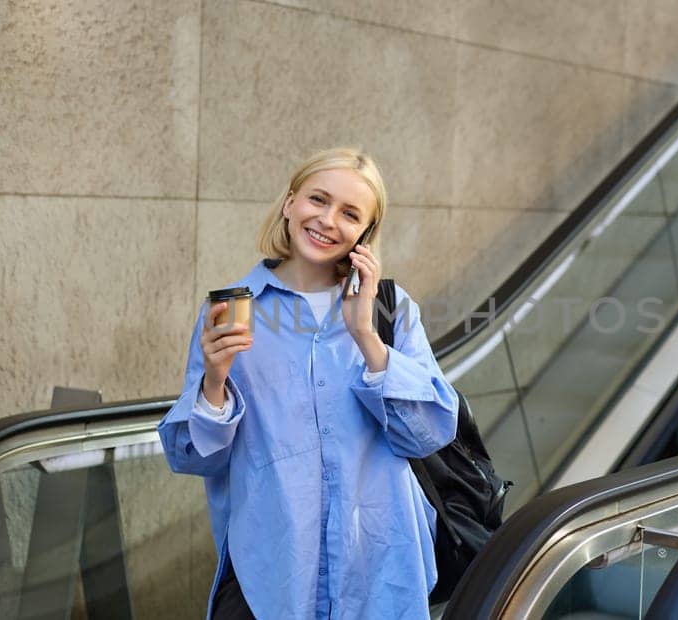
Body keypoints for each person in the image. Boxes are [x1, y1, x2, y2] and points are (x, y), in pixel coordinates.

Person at [158, 147, 459, 619]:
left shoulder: (390, 311)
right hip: (272, 576)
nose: (327, 219)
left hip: (380, 574)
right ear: (290, 203)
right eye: (317, 199)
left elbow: (430, 432)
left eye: (349, 213)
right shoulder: (236, 310)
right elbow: (193, 458)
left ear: (366, 232)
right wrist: (214, 382)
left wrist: (366, 336)